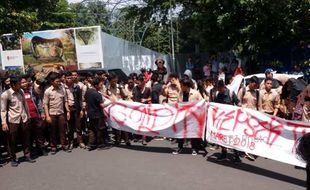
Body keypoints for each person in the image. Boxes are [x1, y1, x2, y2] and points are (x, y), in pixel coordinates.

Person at [1, 77, 35, 167]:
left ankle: (27, 155)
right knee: (12, 140)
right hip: (13, 120)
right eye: (19, 84)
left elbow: (25, 105)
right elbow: (3, 110)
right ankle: (13, 158)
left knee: (25, 138)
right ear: (12, 85)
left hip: (23, 118)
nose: (21, 85)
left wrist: (28, 116)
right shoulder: (5, 94)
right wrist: (4, 123)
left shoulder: (21, 92)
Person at [172, 78, 208, 156]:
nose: (180, 87)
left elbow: (202, 102)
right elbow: (178, 103)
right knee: (180, 132)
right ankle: (180, 146)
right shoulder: (180, 93)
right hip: (182, 116)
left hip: (193, 117)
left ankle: (194, 148)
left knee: (193, 133)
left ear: (186, 86)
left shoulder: (195, 93)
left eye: (181, 85)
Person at [212, 80, 242, 163]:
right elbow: (215, 105)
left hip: (231, 121)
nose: (218, 90)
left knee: (232, 137)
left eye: (219, 88)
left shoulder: (231, 93)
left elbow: (238, 103)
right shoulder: (218, 95)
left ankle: (236, 156)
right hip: (222, 121)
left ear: (223, 86)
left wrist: (240, 110)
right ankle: (224, 153)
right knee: (222, 137)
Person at [43, 72, 70, 154]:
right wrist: (47, 116)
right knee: (52, 131)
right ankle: (53, 147)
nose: (59, 83)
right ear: (52, 82)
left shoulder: (62, 89)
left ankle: (64, 145)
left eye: (59, 81)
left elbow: (65, 101)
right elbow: (45, 104)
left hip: (61, 113)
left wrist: (68, 111)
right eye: (57, 81)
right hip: (52, 114)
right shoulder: (48, 91)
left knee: (63, 130)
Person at [20, 75, 47, 156]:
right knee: (28, 135)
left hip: (35, 115)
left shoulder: (32, 90)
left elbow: (38, 102)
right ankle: (30, 152)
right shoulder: (19, 92)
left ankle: (41, 148)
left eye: (25, 82)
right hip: (26, 117)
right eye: (22, 83)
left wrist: (42, 112)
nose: (24, 84)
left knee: (39, 133)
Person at [85, 77, 112, 151]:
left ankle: (90, 144)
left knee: (92, 129)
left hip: (90, 114)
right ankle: (100, 144)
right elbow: (102, 105)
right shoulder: (97, 94)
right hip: (98, 115)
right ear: (96, 85)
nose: (101, 86)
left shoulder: (88, 91)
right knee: (100, 129)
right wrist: (111, 102)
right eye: (100, 85)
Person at [64, 72, 85, 150]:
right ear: (65, 78)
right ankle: (71, 142)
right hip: (68, 109)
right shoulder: (63, 88)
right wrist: (67, 111)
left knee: (78, 126)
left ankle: (80, 142)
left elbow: (80, 99)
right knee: (70, 127)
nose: (70, 79)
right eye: (68, 78)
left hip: (76, 108)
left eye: (70, 77)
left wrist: (82, 109)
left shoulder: (77, 87)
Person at [132, 74, 152, 145]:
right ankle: (137, 137)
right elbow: (133, 97)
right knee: (137, 123)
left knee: (144, 124)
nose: (138, 84)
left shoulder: (148, 89)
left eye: (139, 83)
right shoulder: (135, 88)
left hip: (145, 109)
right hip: (137, 109)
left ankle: (144, 139)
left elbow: (150, 98)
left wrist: (146, 99)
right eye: (137, 83)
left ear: (143, 82)